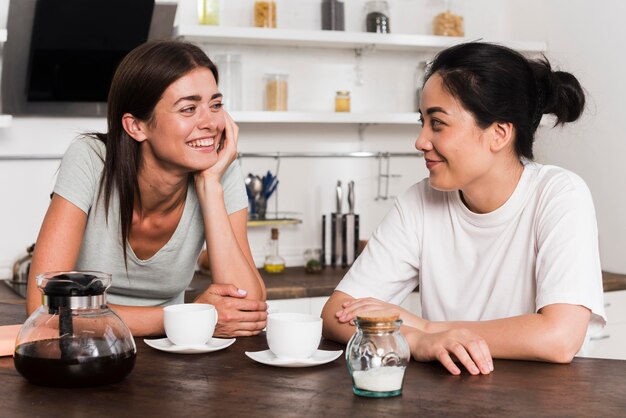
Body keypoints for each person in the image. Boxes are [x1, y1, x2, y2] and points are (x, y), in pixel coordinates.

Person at [321, 42, 606, 375]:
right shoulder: (419, 202)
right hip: (446, 399)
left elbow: (558, 337)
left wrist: (429, 328)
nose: (420, 141)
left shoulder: (559, 195)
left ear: (498, 133)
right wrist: (416, 339)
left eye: (437, 124)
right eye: (422, 122)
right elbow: (334, 315)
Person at [26, 40, 267, 338]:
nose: (211, 123)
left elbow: (249, 307)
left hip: (177, 354)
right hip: (91, 348)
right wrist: (186, 318)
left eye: (215, 105)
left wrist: (209, 184)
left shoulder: (219, 169)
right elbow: (43, 305)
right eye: (189, 109)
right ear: (136, 126)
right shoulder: (91, 158)